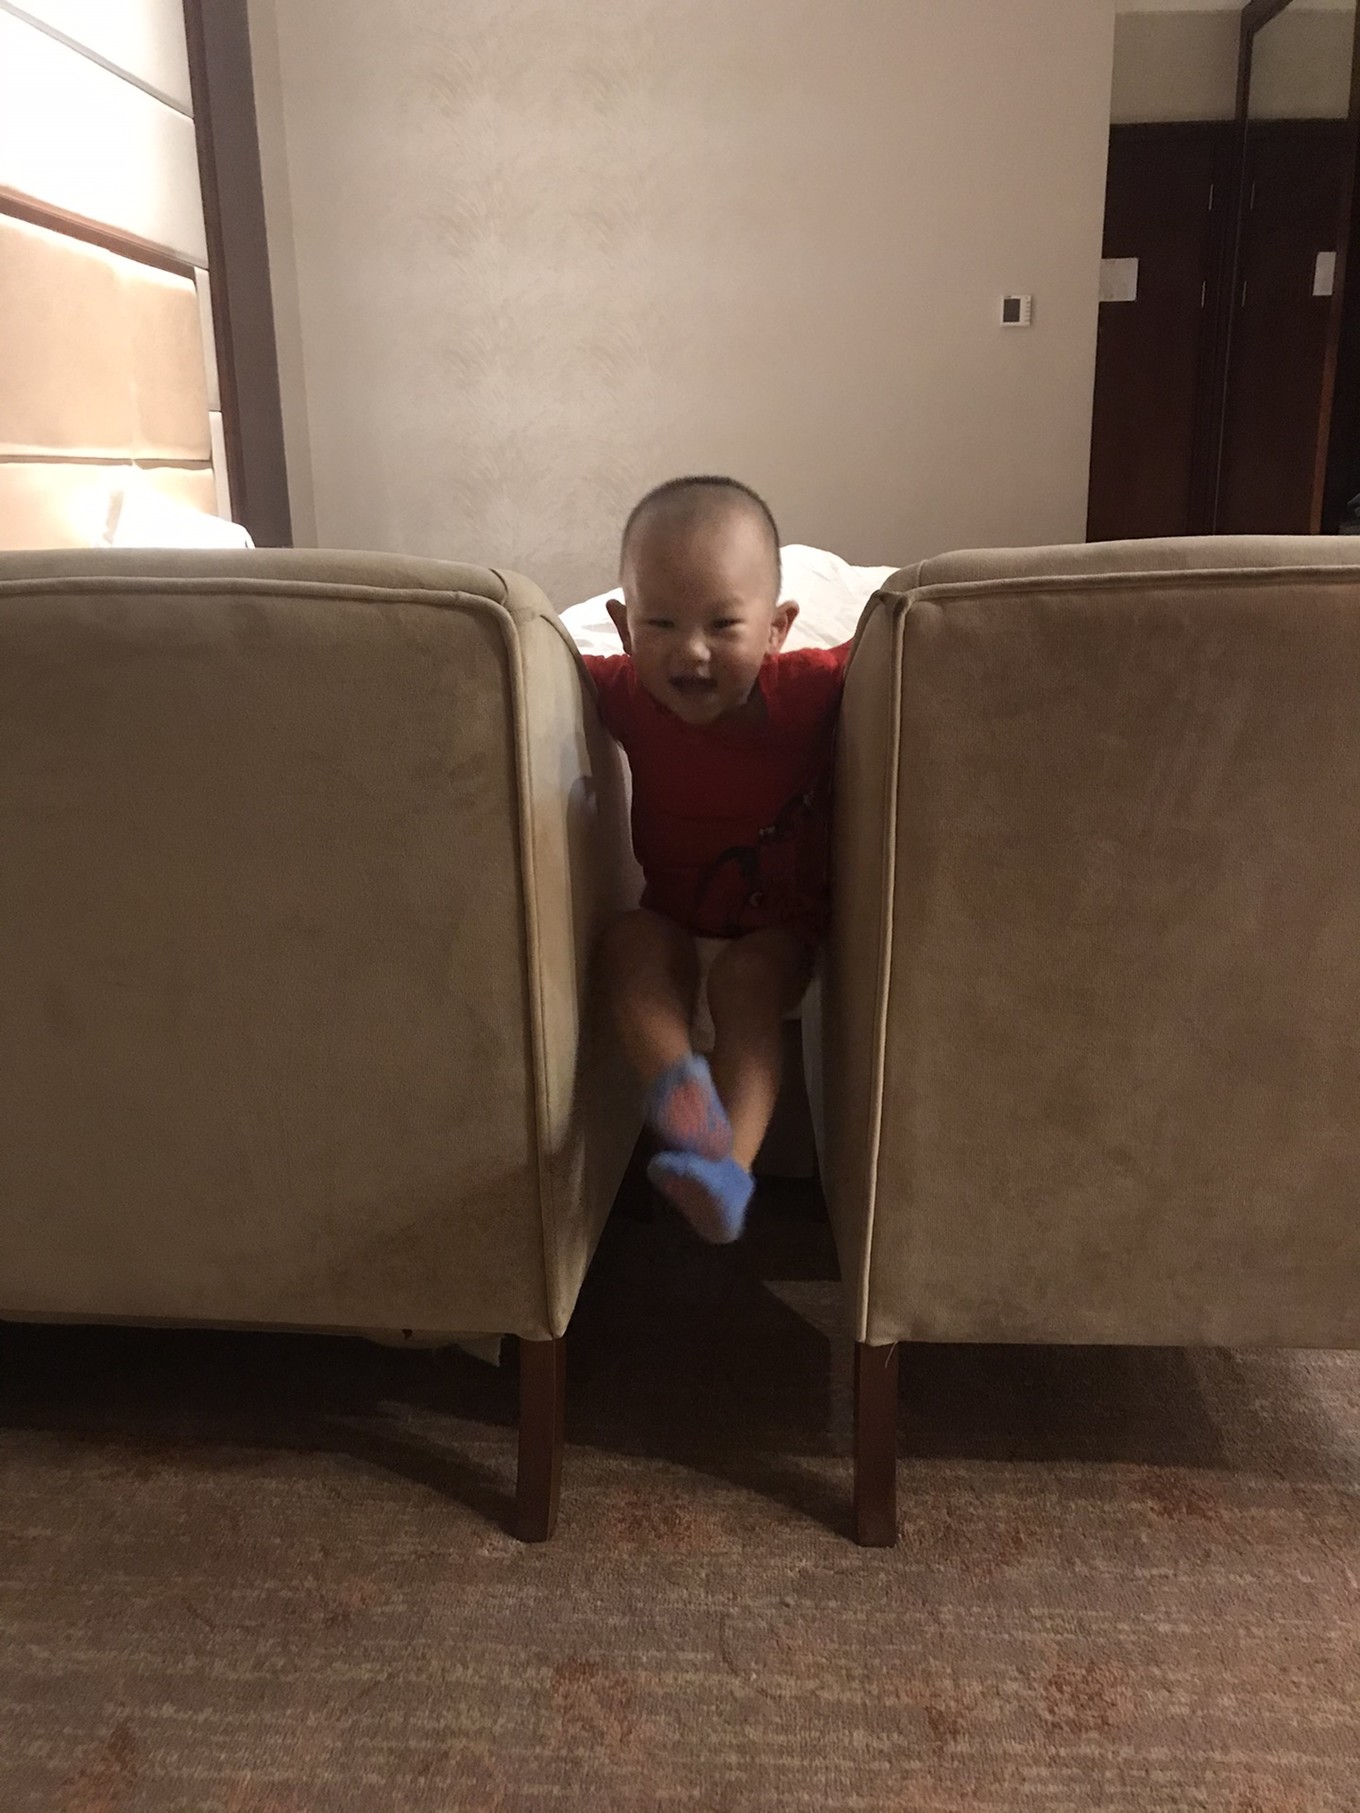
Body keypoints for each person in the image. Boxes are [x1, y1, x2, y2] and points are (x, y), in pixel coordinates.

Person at [581, 476, 851, 1244]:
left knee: (745, 981)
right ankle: (688, 1116)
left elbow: (905, 652)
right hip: (672, 910)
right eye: (661, 622)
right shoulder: (625, 693)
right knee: (627, 945)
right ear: (624, 628)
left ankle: (728, 1171)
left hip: (782, 927)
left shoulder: (811, 691)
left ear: (776, 628)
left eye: (724, 624)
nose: (691, 650)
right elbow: (531, 662)